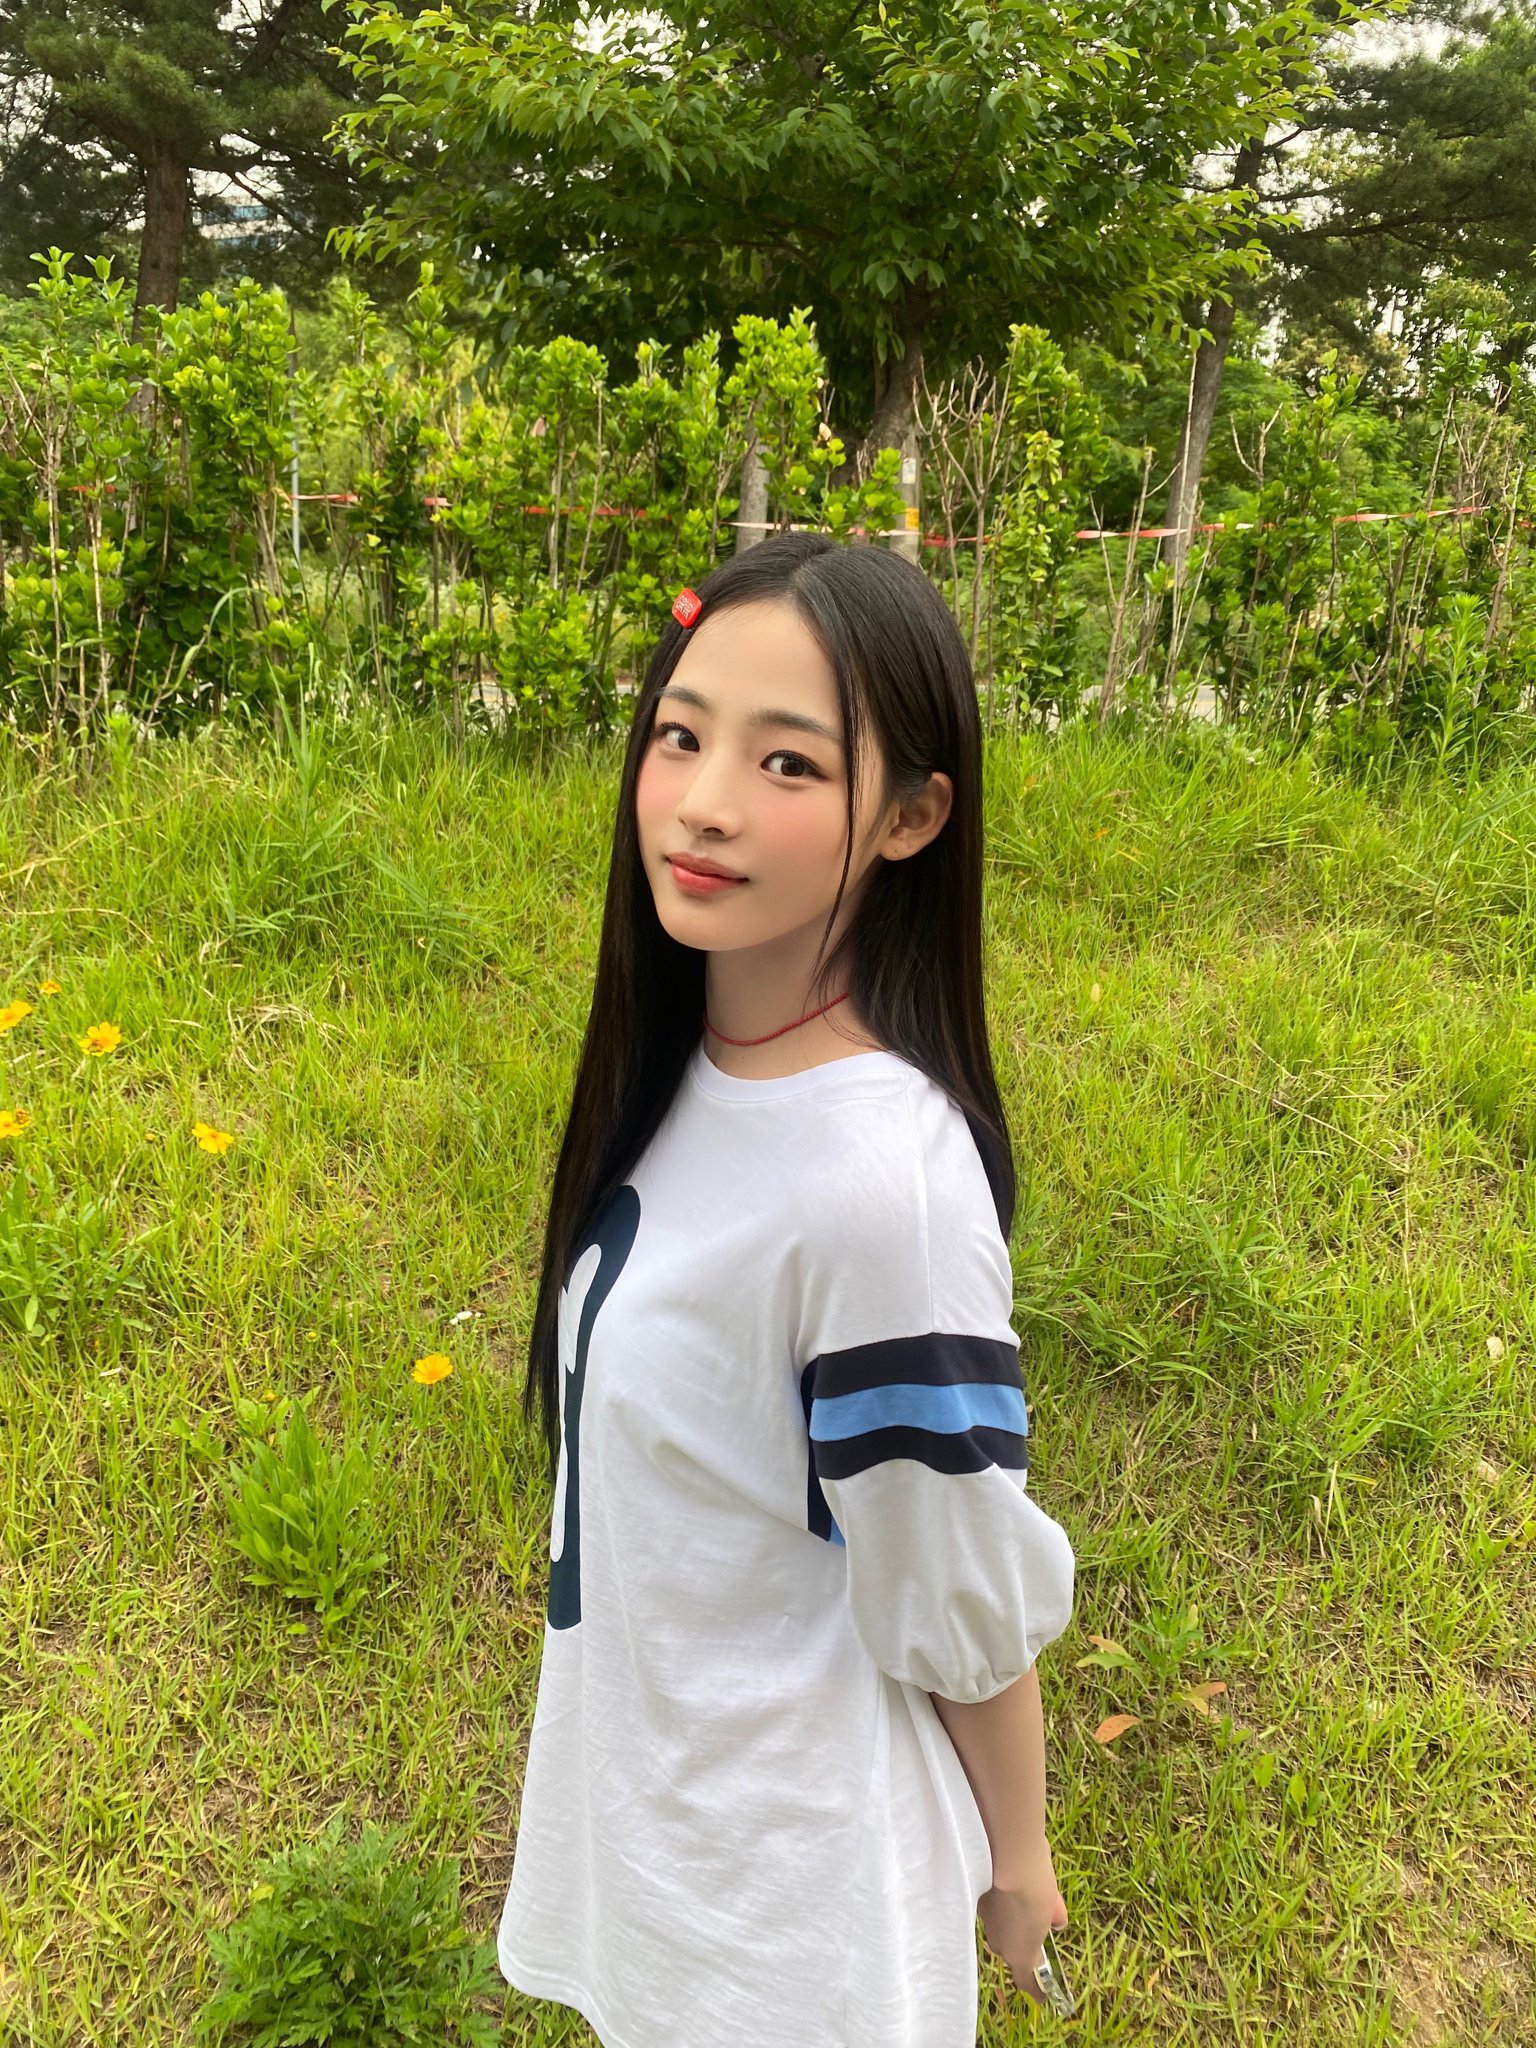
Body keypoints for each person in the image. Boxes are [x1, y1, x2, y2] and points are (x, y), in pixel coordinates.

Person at [497, 530, 1077, 2048]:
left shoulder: (883, 1188)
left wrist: (1019, 1863)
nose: (704, 802)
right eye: (680, 736)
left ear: (912, 816)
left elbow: (959, 1587)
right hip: (671, 1846)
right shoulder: (685, 1073)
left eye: (789, 763)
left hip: (797, 1929)